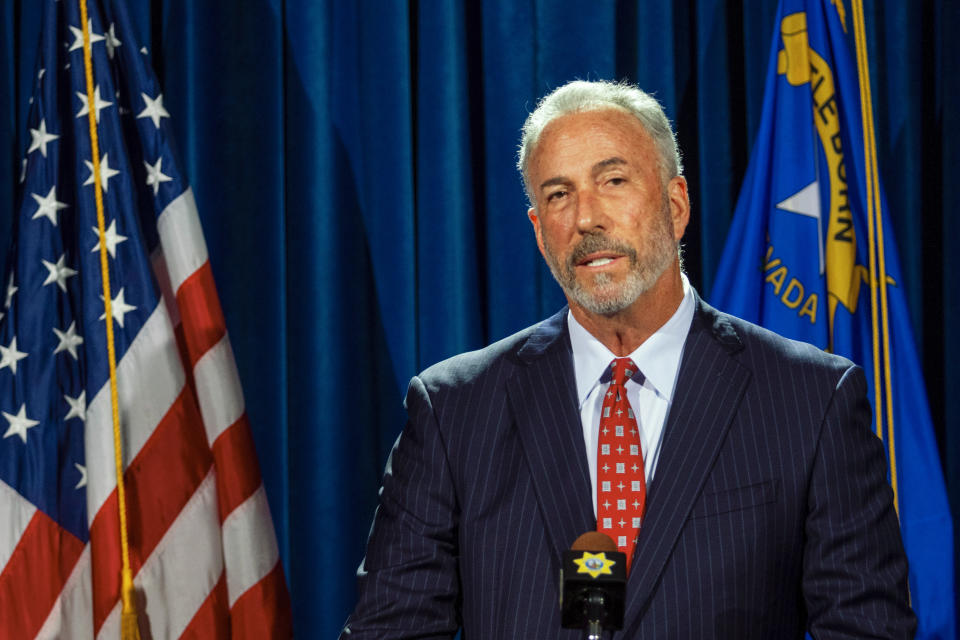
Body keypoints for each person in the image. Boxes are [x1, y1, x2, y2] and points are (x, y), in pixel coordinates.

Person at [341, 80, 915, 638]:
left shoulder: (809, 400)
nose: (586, 218)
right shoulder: (454, 410)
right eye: (558, 195)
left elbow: (867, 628)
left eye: (613, 180)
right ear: (541, 233)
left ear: (675, 204)